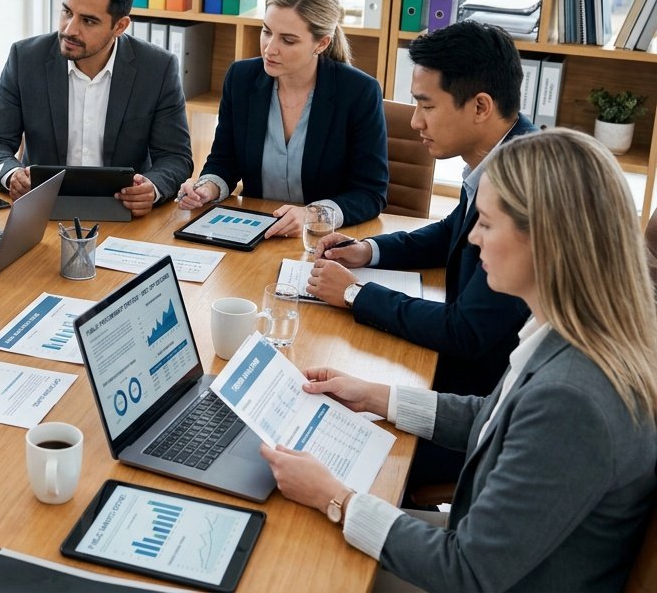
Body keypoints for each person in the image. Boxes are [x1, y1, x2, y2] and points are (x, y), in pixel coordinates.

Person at [260, 128, 657, 592]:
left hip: (484, 575)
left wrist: (334, 498)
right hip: (497, 558)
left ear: (545, 240)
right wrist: (375, 395)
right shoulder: (574, 332)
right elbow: (496, 420)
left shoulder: (573, 399)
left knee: (290, 565)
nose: (471, 237)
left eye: (486, 223)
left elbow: (466, 572)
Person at [306, 21, 534, 488]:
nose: (414, 121)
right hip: (460, 387)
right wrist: (367, 250)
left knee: (312, 440)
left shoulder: (524, 191)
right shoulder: (506, 156)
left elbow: (467, 332)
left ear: (480, 107)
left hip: (479, 413)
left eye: (426, 104)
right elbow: (451, 231)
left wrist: (355, 297)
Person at [0, 0, 192, 215]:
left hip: (124, 212)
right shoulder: (25, 58)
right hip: (41, 210)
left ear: (120, 26)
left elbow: (175, 157)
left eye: (88, 21)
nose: (69, 29)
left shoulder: (157, 68)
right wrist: (12, 175)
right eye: (67, 12)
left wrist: (152, 187)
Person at [176, 0, 388, 234]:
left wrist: (314, 215)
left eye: (288, 40)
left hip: (324, 240)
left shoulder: (358, 92)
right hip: (256, 231)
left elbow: (370, 193)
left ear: (321, 43)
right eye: (266, 32)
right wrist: (206, 188)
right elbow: (224, 161)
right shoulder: (241, 78)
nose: (270, 49)